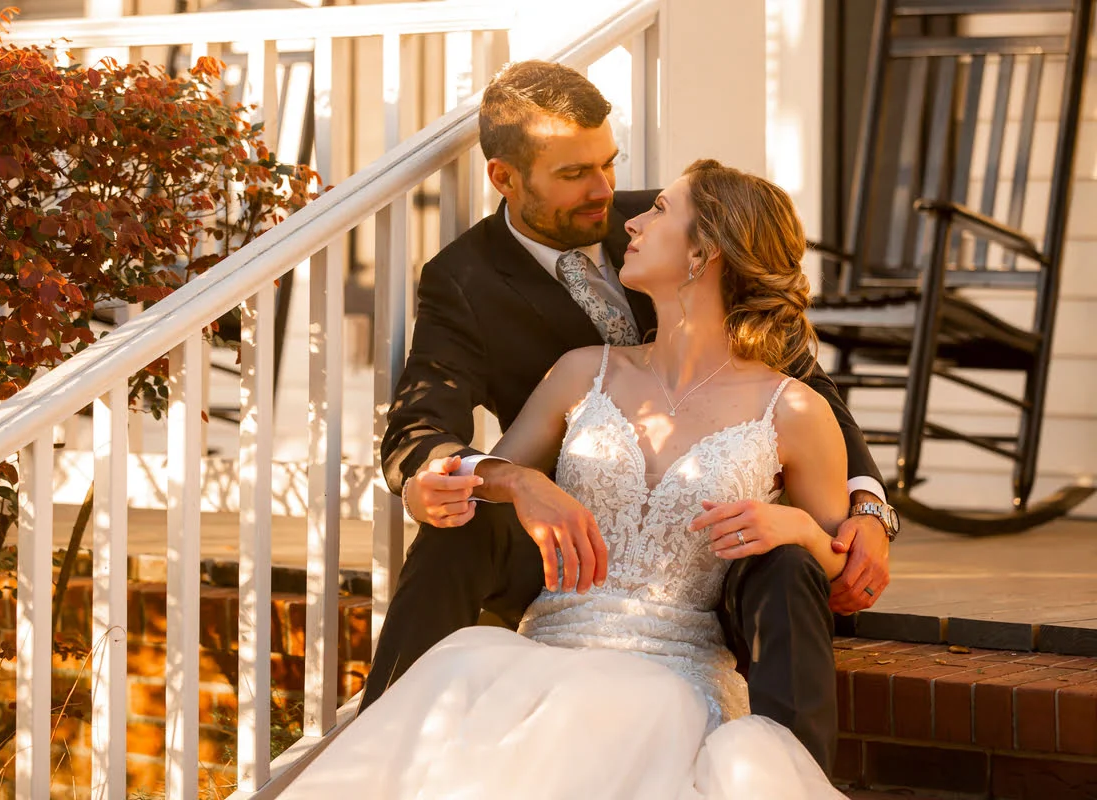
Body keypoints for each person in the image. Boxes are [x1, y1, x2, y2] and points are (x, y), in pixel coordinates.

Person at [364, 60, 899, 772]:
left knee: (789, 562)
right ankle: (382, 744)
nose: (609, 195)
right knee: (454, 528)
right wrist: (507, 480)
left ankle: (789, 773)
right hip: (566, 550)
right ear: (505, 178)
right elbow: (420, 420)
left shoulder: (679, 219)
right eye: (575, 174)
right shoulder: (466, 283)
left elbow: (809, 398)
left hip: (710, 565)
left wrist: (864, 509)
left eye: (609, 164)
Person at [286, 160, 852, 799]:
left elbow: (840, 564)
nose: (630, 221)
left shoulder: (794, 410)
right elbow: (491, 482)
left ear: (707, 250)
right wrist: (490, 482)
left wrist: (799, 527)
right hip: (542, 648)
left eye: (660, 210)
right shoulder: (583, 371)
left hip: (672, 676)